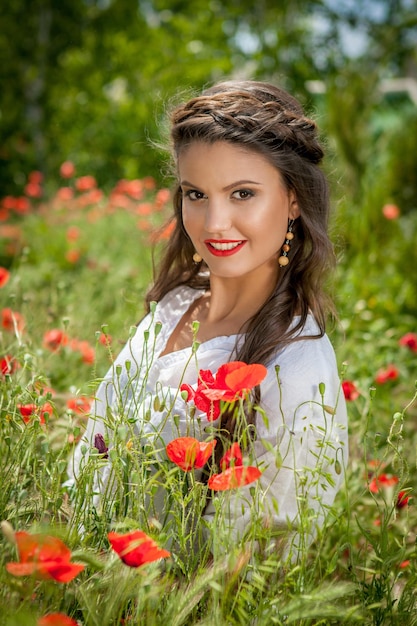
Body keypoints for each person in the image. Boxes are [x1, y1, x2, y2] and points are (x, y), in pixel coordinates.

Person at [68, 80, 348, 561]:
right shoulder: (178, 301)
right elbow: (95, 453)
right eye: (196, 194)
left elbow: (263, 564)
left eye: (242, 193)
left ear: (294, 201)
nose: (214, 223)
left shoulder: (296, 366)